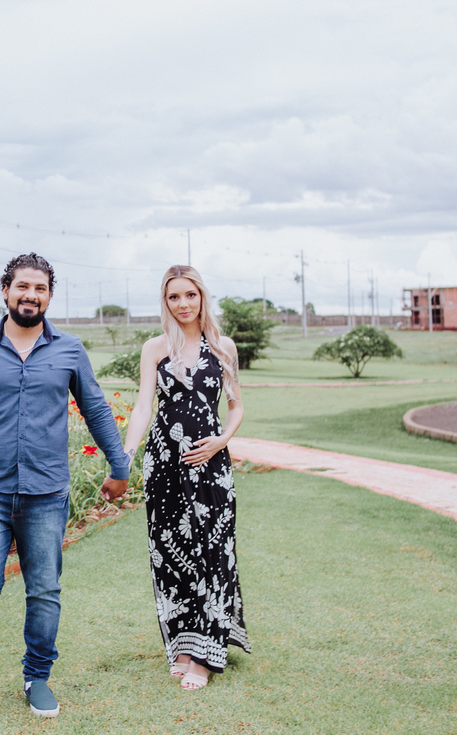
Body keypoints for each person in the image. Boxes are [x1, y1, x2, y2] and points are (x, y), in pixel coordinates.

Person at [0, 252, 130, 719]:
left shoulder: (69, 349)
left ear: (49, 295)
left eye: (40, 288)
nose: (31, 295)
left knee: (44, 590)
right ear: (6, 291)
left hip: (46, 494)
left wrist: (119, 466)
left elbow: (96, 409)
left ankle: (37, 677)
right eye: (23, 286)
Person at [121, 264, 251, 691]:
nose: (183, 304)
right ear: (165, 301)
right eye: (174, 296)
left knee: (213, 551)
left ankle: (206, 655)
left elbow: (235, 406)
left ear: (202, 297)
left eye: (190, 295)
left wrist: (221, 440)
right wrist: (126, 455)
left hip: (210, 464)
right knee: (170, 553)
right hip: (164, 463)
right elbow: (144, 406)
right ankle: (183, 644)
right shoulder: (155, 348)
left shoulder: (223, 346)